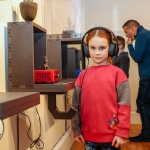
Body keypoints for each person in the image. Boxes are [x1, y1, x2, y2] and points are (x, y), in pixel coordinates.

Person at [71, 28, 131, 150]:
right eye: (92, 48)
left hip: (113, 137)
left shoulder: (118, 74)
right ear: (87, 50)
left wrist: (122, 132)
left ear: (111, 48)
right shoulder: (83, 75)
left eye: (102, 48)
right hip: (89, 137)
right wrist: (76, 129)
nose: (97, 53)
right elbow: (76, 105)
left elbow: (124, 106)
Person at [122, 19, 150, 142]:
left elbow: (137, 57)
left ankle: (146, 134)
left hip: (147, 76)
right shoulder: (147, 33)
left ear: (132, 29)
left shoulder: (142, 36)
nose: (126, 35)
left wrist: (129, 45)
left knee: (142, 103)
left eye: (126, 32)